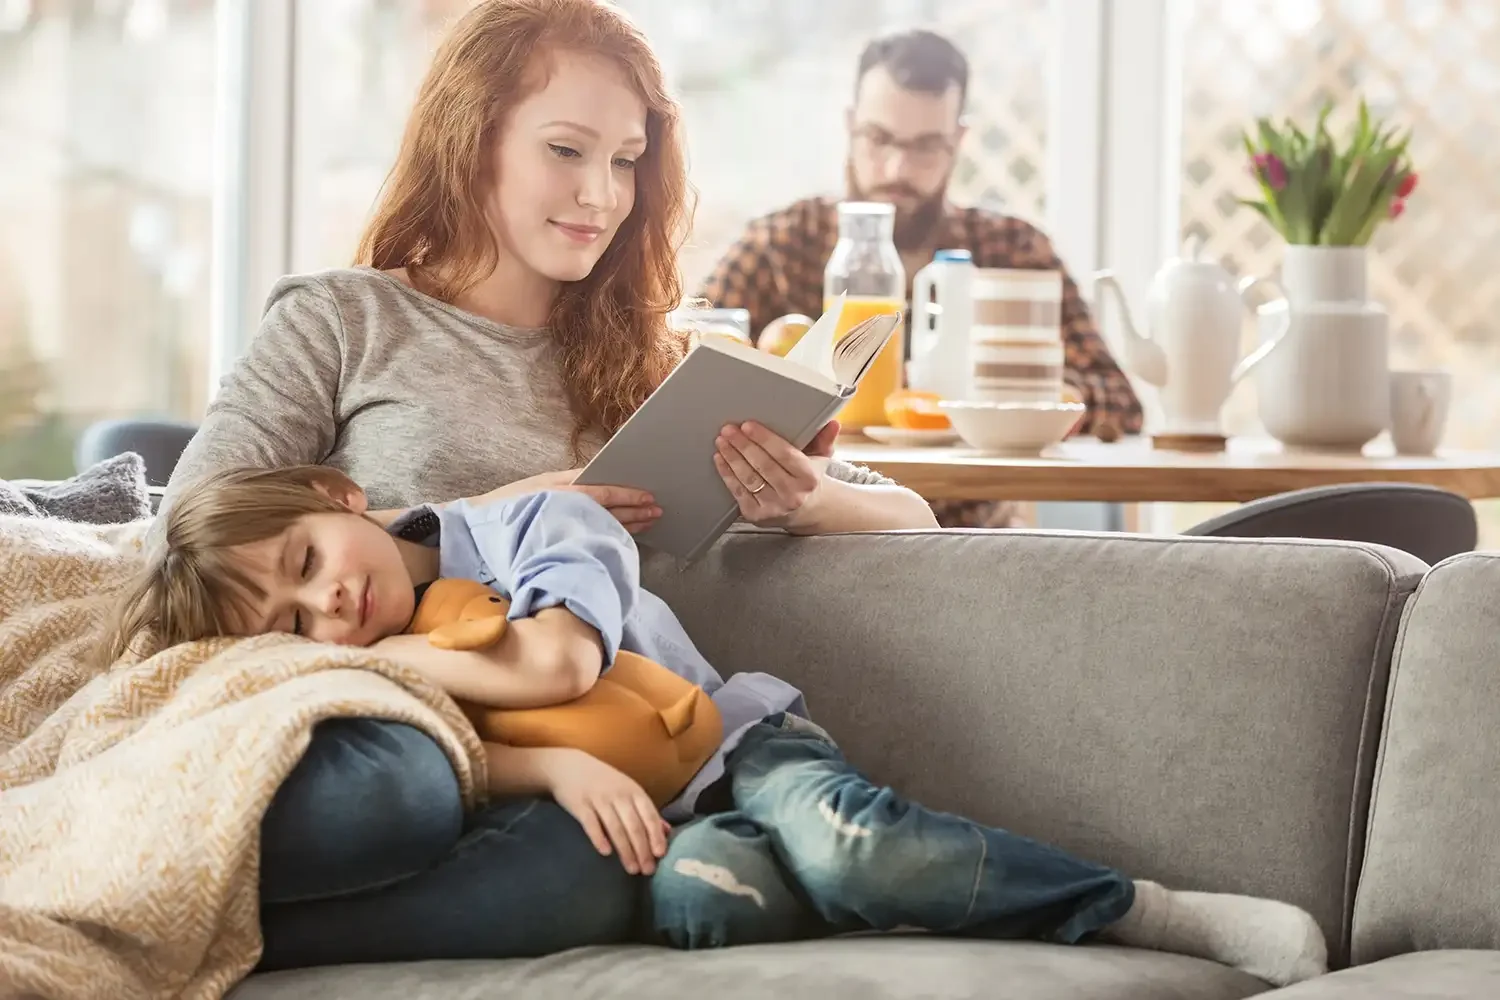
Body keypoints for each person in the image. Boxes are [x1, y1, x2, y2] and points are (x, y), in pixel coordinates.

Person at [160, 0, 937, 968]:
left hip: (574, 765)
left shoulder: (659, 370)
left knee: (580, 870)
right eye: (566, 151)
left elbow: (913, 512)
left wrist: (805, 497)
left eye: (625, 160)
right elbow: (176, 540)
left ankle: (230, 942)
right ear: (470, 141)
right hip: (392, 732)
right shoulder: (342, 322)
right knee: (399, 787)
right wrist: (493, 509)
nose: (601, 196)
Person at [113, 462, 1329, 988]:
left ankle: (1144, 908)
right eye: (292, 618)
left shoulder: (537, 525)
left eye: (308, 558)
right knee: (701, 903)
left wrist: (404, 665)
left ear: (341, 500)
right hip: (670, 825)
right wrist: (543, 772)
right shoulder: (364, 672)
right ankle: (827, 888)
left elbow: (558, 657)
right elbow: (475, 765)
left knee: (856, 845)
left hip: (740, 751)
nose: (327, 601)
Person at [699, 28, 1145, 529]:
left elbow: (1120, 401)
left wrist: (997, 397)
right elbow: (683, 360)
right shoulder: (782, 246)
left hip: (968, 535)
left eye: (926, 146)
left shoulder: (1012, 252)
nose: (897, 167)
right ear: (851, 126)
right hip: (805, 538)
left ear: (959, 141)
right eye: (880, 138)